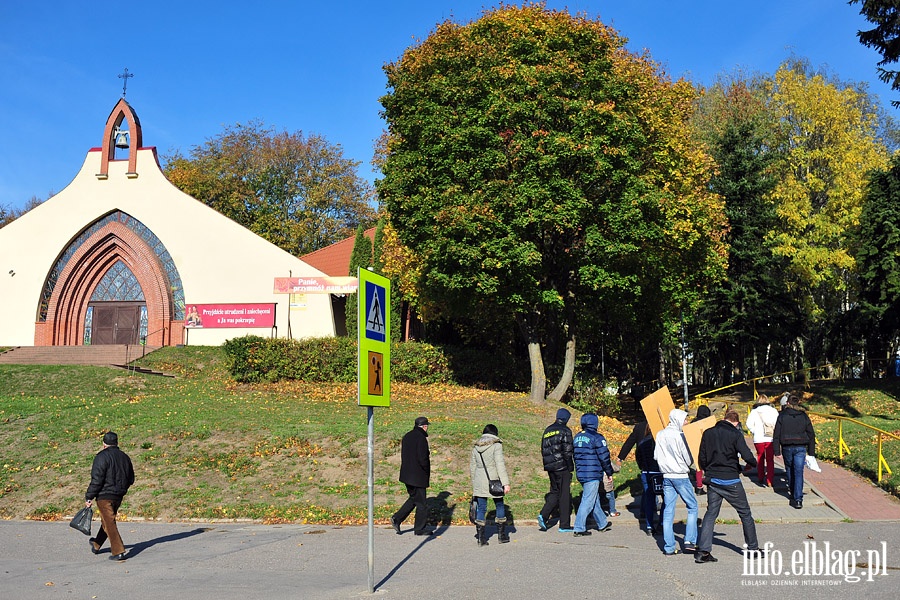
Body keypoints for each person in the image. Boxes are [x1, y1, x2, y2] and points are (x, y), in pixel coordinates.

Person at [695, 410, 763, 564]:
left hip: (713, 480)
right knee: (745, 513)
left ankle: (703, 552)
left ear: (724, 419)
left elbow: (702, 457)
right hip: (730, 480)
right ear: (736, 422)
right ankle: (752, 549)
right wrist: (754, 464)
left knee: (711, 514)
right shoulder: (735, 434)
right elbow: (746, 455)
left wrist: (709, 470)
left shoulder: (708, 433)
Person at [654, 409, 698, 556]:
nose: (686, 422)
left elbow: (656, 456)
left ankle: (669, 547)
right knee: (692, 506)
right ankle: (689, 541)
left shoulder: (660, 434)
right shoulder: (680, 436)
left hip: (666, 475)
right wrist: (690, 463)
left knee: (668, 510)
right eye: (685, 420)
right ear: (678, 420)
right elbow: (687, 456)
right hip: (680, 475)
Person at [85, 431, 135, 561]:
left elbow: (97, 480)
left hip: (104, 496)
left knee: (109, 522)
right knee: (107, 521)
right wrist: (122, 488)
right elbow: (131, 478)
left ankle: (118, 551)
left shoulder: (101, 457)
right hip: (118, 495)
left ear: (104, 444)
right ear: (117, 443)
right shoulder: (125, 457)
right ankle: (96, 544)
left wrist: (89, 496)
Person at [572, 413, 614, 537]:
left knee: (594, 499)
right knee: (588, 500)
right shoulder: (597, 438)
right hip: (593, 473)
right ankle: (579, 527)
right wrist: (609, 472)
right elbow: (604, 457)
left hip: (581, 472)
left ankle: (602, 523)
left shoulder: (577, 437)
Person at [391, 416, 433, 535]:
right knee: (422, 504)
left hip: (406, 475)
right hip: (418, 476)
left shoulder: (407, 436)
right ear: (424, 426)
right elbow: (423, 458)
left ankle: (397, 519)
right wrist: (426, 472)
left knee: (414, 499)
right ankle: (419, 529)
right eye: (427, 426)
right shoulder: (421, 439)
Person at [470, 423, 511, 546]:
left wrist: (474, 483)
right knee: (499, 505)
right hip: (494, 480)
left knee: (482, 508)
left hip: (479, 480)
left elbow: (473, 467)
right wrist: (506, 483)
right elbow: (500, 464)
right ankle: (502, 536)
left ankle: (481, 538)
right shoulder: (496, 445)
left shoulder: (476, 447)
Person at [773, 395, 816, 509]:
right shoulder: (803, 416)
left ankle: (793, 492)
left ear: (787, 403)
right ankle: (798, 499)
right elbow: (811, 434)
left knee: (789, 469)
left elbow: (776, 434)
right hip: (801, 447)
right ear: (798, 403)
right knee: (798, 472)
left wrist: (777, 451)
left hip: (787, 446)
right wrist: (811, 452)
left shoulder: (782, 416)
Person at [538, 408, 575, 532]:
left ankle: (543, 515)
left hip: (550, 467)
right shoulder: (565, 430)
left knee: (555, 491)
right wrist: (570, 467)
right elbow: (568, 451)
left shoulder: (547, 430)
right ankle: (564, 525)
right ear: (566, 419)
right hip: (562, 467)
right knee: (564, 495)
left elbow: (543, 449)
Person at [635, 424, 664, 535]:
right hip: (659, 473)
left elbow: (639, 458)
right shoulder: (660, 442)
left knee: (649, 499)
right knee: (665, 498)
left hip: (646, 472)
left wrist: (643, 467)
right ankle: (661, 523)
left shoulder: (642, 443)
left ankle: (649, 525)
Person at [746, 395, 779, 487]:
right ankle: (770, 480)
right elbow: (777, 423)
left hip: (758, 438)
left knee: (760, 457)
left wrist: (754, 431)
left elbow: (748, 424)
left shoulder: (754, 411)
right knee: (770, 459)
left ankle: (760, 477)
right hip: (770, 438)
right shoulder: (773, 411)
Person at [691, 405, 712, 495]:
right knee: (709, 465)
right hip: (708, 446)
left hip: (696, 446)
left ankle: (699, 486)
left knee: (698, 467)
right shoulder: (709, 422)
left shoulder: (693, 423)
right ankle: (710, 483)